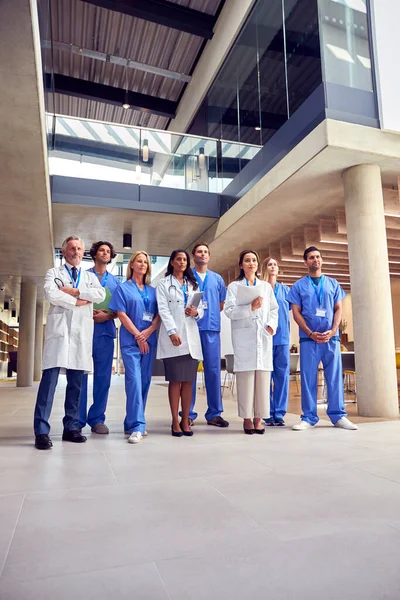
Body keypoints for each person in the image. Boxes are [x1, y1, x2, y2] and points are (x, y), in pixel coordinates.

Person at [33, 236, 106, 450]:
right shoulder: (53, 273)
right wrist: (79, 301)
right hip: (59, 335)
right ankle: (41, 432)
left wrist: (74, 292)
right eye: (72, 248)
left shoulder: (90, 276)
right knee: (49, 384)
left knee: (76, 385)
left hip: (80, 337)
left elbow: (100, 294)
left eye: (79, 248)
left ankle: (71, 428)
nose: (76, 251)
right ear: (64, 252)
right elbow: (50, 293)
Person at [287, 246, 357, 431]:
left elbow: (338, 309)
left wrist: (334, 330)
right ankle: (308, 417)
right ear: (305, 262)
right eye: (311, 257)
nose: (315, 260)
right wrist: (309, 332)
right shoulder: (298, 286)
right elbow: (296, 312)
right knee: (308, 377)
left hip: (330, 340)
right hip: (309, 340)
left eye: (318, 257)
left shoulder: (333, 284)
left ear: (321, 260)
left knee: (334, 377)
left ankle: (338, 416)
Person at [224, 250, 278, 434]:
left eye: (254, 260)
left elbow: (274, 310)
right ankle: (247, 418)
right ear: (241, 265)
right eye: (247, 260)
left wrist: (271, 325)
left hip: (263, 336)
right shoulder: (234, 287)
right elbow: (229, 311)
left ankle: (259, 417)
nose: (251, 263)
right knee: (246, 379)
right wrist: (250, 307)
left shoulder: (265, 287)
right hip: (244, 338)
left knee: (262, 379)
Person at [109, 251, 159, 444]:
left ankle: (131, 423)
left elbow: (158, 315)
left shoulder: (153, 291)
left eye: (145, 262)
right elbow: (121, 314)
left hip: (149, 340)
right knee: (134, 382)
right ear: (131, 265)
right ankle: (138, 426)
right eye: (139, 261)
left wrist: (148, 332)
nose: (142, 264)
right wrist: (138, 334)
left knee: (145, 382)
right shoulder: (123, 288)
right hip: (131, 342)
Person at [156, 249, 204, 437]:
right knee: (175, 381)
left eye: (185, 259)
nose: (182, 262)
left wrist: (196, 313)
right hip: (174, 338)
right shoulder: (163, 284)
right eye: (179, 259)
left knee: (188, 382)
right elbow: (163, 309)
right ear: (172, 262)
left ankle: (186, 420)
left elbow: (202, 309)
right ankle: (175, 421)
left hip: (191, 337)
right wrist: (172, 331)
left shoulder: (193, 284)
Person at [79, 241, 120, 434]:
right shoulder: (83, 276)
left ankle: (97, 418)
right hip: (84, 332)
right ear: (95, 254)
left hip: (105, 333)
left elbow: (121, 309)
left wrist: (108, 315)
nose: (105, 253)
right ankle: (76, 420)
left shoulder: (116, 282)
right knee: (80, 376)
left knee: (103, 378)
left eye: (108, 251)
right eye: (101, 250)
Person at [189, 242, 228, 427]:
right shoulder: (187, 276)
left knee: (213, 371)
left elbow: (221, 303)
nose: (202, 254)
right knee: (189, 372)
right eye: (199, 252)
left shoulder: (217, 279)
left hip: (211, 328)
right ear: (194, 256)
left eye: (205, 252)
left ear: (209, 256)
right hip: (191, 329)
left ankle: (214, 413)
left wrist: (209, 314)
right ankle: (188, 413)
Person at [261, 257, 291, 426]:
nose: (272, 267)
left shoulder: (285, 290)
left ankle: (279, 412)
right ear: (264, 268)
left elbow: (288, 310)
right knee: (266, 376)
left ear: (278, 269)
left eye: (275, 265)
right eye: (269, 265)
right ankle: (267, 412)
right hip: (265, 337)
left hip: (283, 338)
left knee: (282, 376)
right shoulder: (261, 289)